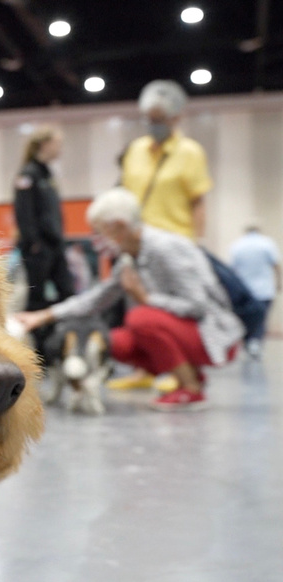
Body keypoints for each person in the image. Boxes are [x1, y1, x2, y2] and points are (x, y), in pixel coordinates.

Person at [16, 187, 243, 412]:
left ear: (120, 227)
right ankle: (193, 375)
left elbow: (198, 306)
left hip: (213, 334)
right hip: (186, 330)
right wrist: (43, 315)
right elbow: (97, 299)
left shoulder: (166, 248)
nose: (97, 239)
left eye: (100, 231)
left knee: (140, 318)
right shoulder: (129, 256)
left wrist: (146, 298)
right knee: (112, 342)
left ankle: (191, 388)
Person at [120, 80, 212, 242]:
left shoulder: (191, 152)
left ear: (175, 118)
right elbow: (127, 199)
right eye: (150, 119)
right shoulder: (135, 149)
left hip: (176, 241)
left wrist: (199, 241)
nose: (154, 124)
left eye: (160, 119)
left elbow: (198, 203)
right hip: (140, 242)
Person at [13, 127, 75, 356]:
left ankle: (65, 345)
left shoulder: (48, 174)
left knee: (67, 293)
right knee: (36, 298)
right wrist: (33, 243)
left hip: (55, 246)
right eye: (57, 143)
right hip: (38, 249)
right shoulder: (28, 175)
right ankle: (40, 353)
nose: (60, 149)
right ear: (44, 145)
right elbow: (24, 213)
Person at [229, 223, 281, 358]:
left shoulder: (237, 245)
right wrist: (279, 283)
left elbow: (232, 269)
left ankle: (249, 341)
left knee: (247, 318)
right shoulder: (267, 243)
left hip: (245, 290)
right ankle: (256, 342)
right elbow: (276, 265)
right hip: (265, 289)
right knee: (262, 318)